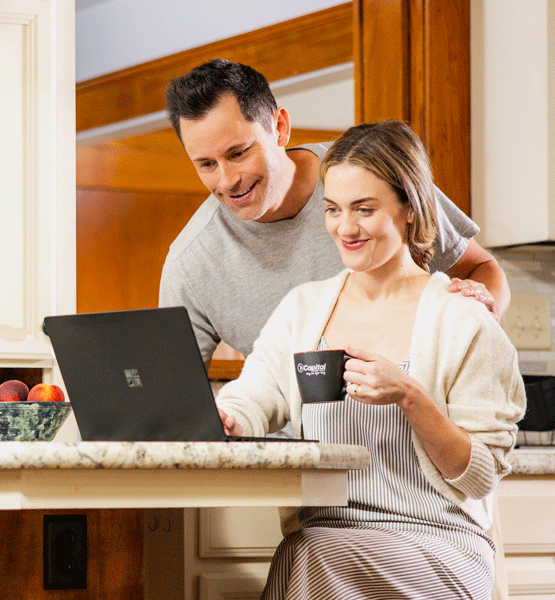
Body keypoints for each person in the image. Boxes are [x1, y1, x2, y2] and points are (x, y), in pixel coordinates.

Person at [215, 120, 526, 600]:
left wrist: (408, 395)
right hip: (328, 537)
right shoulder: (303, 309)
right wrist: (228, 416)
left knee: (308, 553)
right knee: (308, 548)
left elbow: (481, 474)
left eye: (364, 209)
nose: (345, 228)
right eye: (333, 210)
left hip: (440, 547)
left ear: (409, 209)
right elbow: (256, 394)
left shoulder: (463, 319)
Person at [160, 59, 510, 370]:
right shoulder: (191, 262)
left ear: (279, 127)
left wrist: (476, 327)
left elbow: (481, 269)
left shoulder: (371, 172)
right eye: (206, 164)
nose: (227, 181)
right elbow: (172, 393)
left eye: (238, 153)